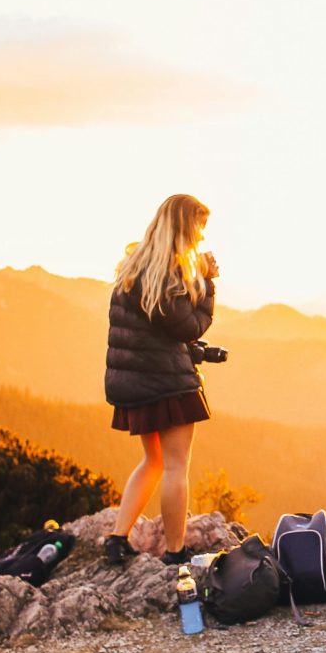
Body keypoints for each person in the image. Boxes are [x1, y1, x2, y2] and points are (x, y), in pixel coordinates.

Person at [103, 194, 218, 567]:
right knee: (174, 467)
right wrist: (208, 283)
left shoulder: (133, 266)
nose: (201, 238)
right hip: (166, 384)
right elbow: (188, 326)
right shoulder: (167, 274)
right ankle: (175, 552)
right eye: (199, 229)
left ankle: (117, 539)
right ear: (185, 227)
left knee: (152, 460)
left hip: (133, 382)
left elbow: (151, 332)